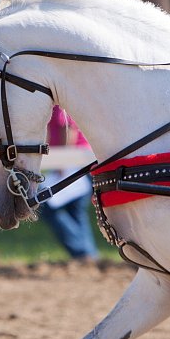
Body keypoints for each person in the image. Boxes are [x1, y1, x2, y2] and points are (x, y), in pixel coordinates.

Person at [40, 106, 99, 262]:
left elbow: (67, 128)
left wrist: (63, 162)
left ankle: (83, 253)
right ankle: (89, 256)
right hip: (78, 161)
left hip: (72, 163)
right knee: (76, 211)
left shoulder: (60, 104)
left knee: (46, 204)